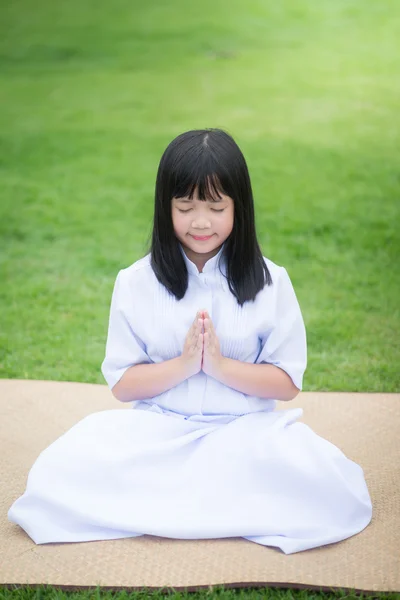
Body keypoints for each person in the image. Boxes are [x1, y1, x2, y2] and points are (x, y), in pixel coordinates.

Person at [8, 128, 372, 554]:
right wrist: (183, 365)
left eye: (217, 207)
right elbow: (123, 386)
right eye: (186, 207)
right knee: (59, 470)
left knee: (325, 483)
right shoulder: (135, 282)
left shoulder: (273, 281)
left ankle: (180, 505)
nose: (201, 222)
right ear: (167, 209)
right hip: (157, 434)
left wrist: (219, 367)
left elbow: (287, 383)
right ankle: (214, 505)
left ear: (240, 208)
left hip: (246, 435)